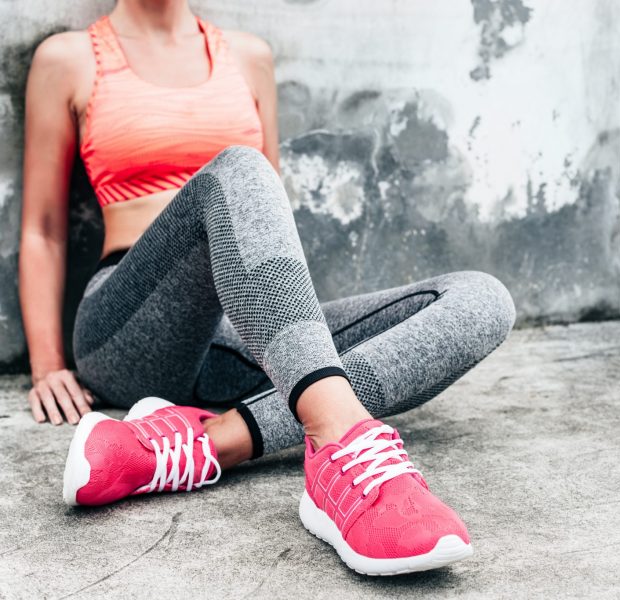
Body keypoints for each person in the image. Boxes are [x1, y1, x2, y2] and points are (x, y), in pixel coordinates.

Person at [19, 0, 516, 576]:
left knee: (481, 300)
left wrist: (290, 331)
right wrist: (47, 362)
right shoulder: (69, 58)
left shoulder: (249, 57)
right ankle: (338, 437)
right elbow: (44, 230)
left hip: (240, 328)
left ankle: (207, 443)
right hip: (134, 325)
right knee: (239, 169)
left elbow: (267, 217)